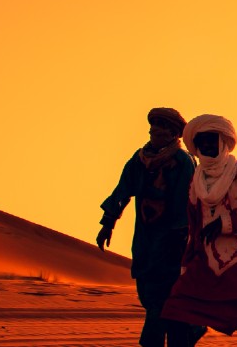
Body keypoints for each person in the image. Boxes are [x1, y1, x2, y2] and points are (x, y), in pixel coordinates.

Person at [161, 115, 237, 347]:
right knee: (175, 309)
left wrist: (225, 223)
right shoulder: (196, 181)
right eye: (201, 142)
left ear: (223, 142)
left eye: (211, 140)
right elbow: (194, 225)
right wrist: (188, 260)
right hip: (205, 265)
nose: (206, 146)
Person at [97, 108, 204, 346]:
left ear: (173, 132)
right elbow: (122, 191)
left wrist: (180, 236)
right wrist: (108, 223)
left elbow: (187, 203)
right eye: (154, 124)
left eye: (162, 125)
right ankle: (189, 331)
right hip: (146, 241)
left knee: (163, 299)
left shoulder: (183, 162)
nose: (155, 129)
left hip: (174, 243)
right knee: (148, 293)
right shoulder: (139, 160)